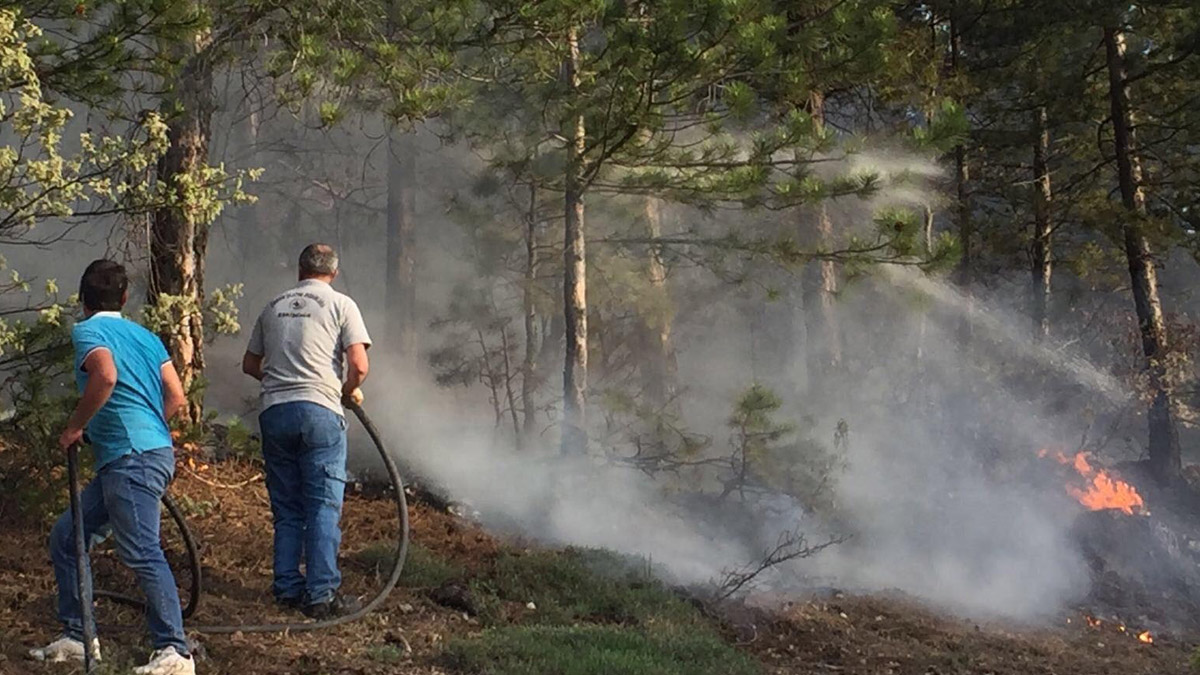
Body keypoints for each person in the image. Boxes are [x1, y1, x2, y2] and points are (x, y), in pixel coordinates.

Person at [29, 260, 195, 675]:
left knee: (142, 551)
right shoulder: (145, 336)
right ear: (124, 297)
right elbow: (176, 396)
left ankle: (174, 651)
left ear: (82, 299)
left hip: (132, 459)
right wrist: (144, 427)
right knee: (68, 537)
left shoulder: (88, 331)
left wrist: (76, 426)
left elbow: (104, 376)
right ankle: (77, 637)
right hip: (142, 453)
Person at [242, 243, 371, 619]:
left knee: (287, 507)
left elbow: (249, 363)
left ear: (300, 270)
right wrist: (346, 389)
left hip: (275, 412)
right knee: (322, 506)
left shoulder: (273, 305)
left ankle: (286, 588)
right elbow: (359, 365)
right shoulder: (341, 304)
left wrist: (280, 380)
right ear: (334, 272)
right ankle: (320, 595)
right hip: (319, 413)